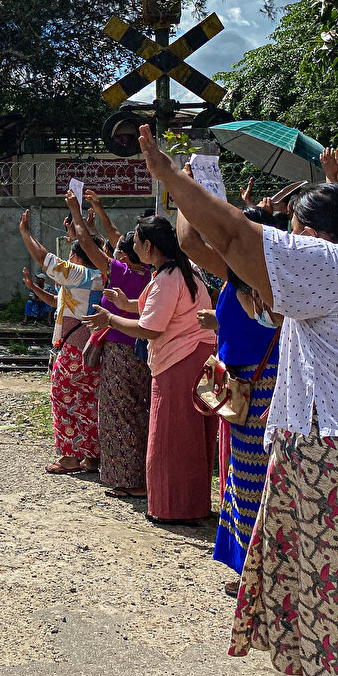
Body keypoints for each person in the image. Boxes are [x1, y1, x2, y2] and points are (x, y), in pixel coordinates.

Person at [134, 127, 338, 676]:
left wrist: (173, 178)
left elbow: (230, 236)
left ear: (314, 239)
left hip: (337, 464)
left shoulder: (336, 271)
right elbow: (210, 244)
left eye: (295, 233)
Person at [83, 214, 216, 524]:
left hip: (179, 361)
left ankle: (174, 507)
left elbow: (151, 328)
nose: (131, 247)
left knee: (171, 437)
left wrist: (110, 319)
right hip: (193, 358)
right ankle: (190, 504)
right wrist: (125, 303)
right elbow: (151, 310)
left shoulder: (168, 279)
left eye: (137, 241)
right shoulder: (182, 273)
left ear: (147, 244)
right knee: (189, 436)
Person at [179, 201, 282, 595]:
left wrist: (184, 183)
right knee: (243, 477)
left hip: (254, 388)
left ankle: (257, 574)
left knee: (251, 480)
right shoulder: (266, 276)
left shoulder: (242, 272)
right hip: (251, 384)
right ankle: (254, 570)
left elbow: (187, 240)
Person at [65, 191, 153, 497]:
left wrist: (77, 213)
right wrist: (100, 213)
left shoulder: (122, 273)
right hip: (146, 350)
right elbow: (116, 237)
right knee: (140, 413)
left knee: (117, 416)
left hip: (119, 350)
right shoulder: (154, 275)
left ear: (125, 256)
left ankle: (128, 480)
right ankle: (143, 476)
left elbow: (89, 244)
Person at [20, 210, 104, 474]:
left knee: (63, 397)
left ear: (78, 258)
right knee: (89, 401)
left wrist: (26, 233)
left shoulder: (79, 274)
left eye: (72, 252)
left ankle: (69, 456)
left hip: (73, 348)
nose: (69, 257)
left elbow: (46, 260)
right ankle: (91, 455)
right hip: (93, 347)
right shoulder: (103, 275)